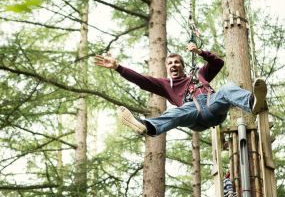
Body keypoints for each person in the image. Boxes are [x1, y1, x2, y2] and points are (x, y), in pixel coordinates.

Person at [95, 43, 267, 136]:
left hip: (212, 105)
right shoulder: (165, 85)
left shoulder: (200, 74)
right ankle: (147, 127)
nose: (173, 65)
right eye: (170, 63)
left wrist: (200, 52)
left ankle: (252, 103)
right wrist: (118, 67)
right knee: (176, 113)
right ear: (167, 68)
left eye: (177, 62)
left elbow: (218, 63)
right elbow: (142, 81)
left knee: (228, 88)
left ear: (183, 66)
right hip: (193, 113)